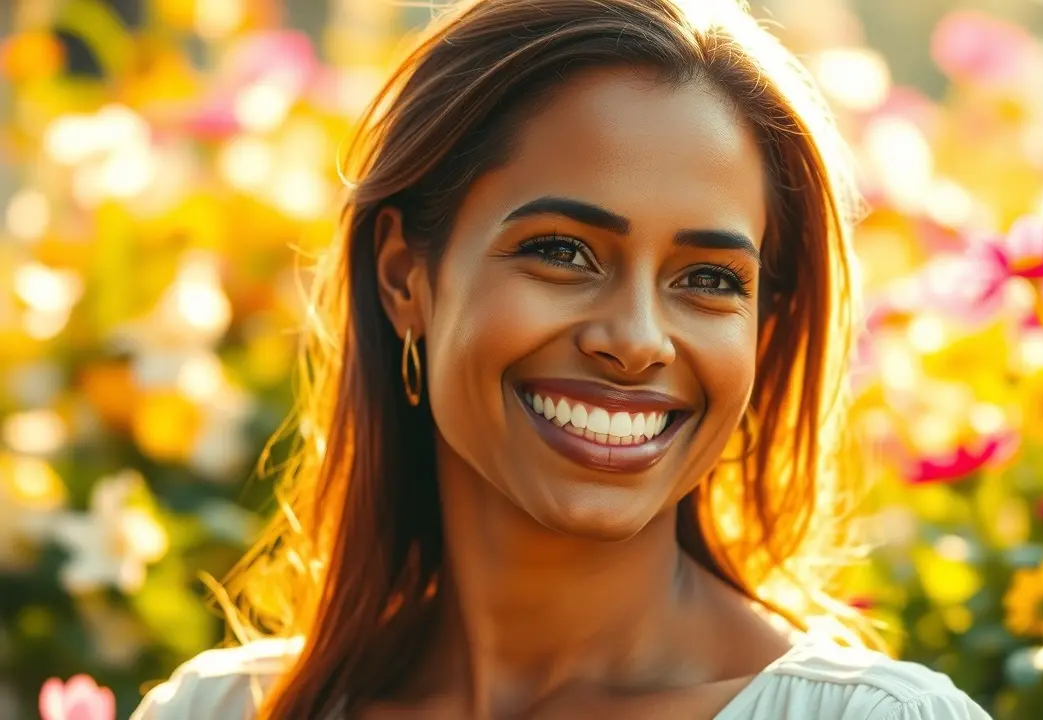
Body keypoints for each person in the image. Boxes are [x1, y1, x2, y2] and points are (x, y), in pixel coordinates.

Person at [133, 0, 990, 718]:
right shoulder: (215, 711)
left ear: (763, 329)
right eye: (562, 252)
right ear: (405, 276)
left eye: (707, 278)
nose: (636, 339)